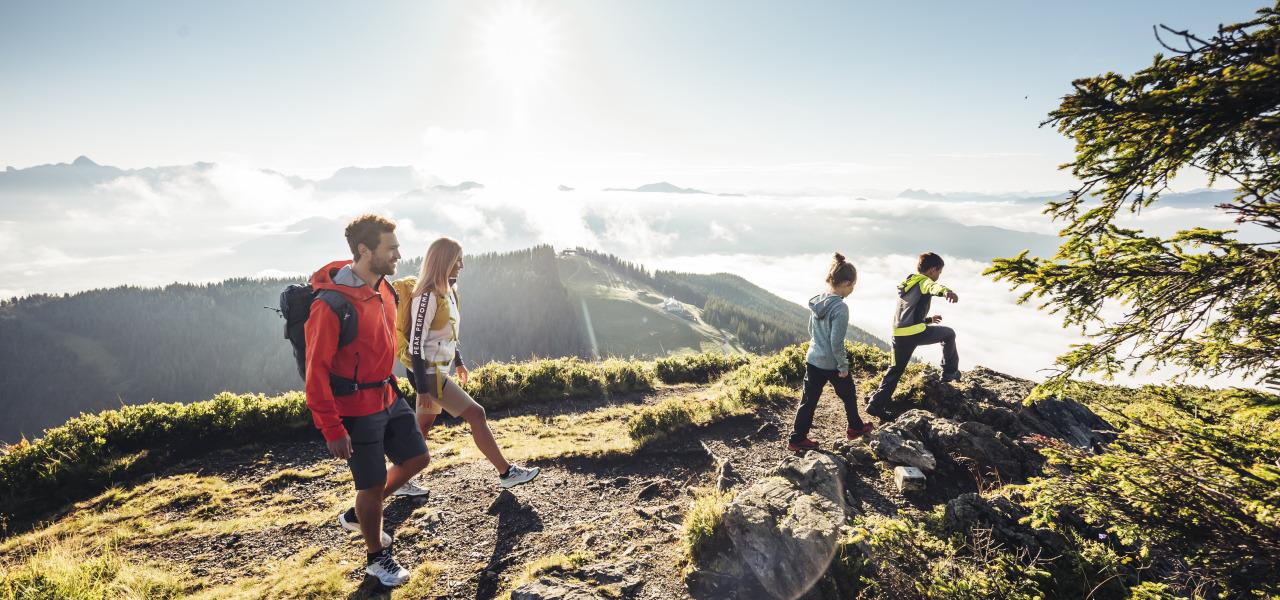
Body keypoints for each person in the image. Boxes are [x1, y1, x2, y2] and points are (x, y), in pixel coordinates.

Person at [305, 214, 425, 588]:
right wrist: (332, 428)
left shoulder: (384, 288)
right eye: (391, 249)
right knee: (370, 486)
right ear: (364, 250)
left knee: (417, 458)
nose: (398, 255)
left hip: (388, 395)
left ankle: (361, 512)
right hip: (356, 411)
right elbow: (315, 375)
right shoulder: (330, 306)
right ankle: (376, 558)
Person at [403, 237, 540, 489]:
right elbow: (415, 345)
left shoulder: (449, 291)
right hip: (428, 374)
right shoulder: (426, 296)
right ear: (444, 261)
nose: (462, 266)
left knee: (421, 427)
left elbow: (447, 334)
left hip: (438, 370)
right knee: (477, 414)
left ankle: (400, 480)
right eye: (458, 260)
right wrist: (423, 389)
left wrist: (459, 362)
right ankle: (506, 472)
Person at [787, 253, 871, 451]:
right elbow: (836, 341)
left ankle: (796, 439)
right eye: (852, 286)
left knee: (808, 401)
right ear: (846, 283)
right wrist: (842, 365)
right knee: (849, 394)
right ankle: (855, 428)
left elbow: (811, 330)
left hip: (813, 358)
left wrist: (819, 346)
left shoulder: (818, 301)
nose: (852, 290)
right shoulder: (840, 307)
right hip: (830, 363)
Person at [865, 252, 960, 419]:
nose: (938, 276)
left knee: (895, 370)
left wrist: (929, 319)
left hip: (899, 333)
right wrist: (946, 291)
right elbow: (933, 287)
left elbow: (909, 312)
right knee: (949, 334)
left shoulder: (908, 283)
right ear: (932, 270)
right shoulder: (925, 281)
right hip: (915, 333)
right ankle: (949, 373)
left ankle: (875, 404)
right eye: (939, 272)